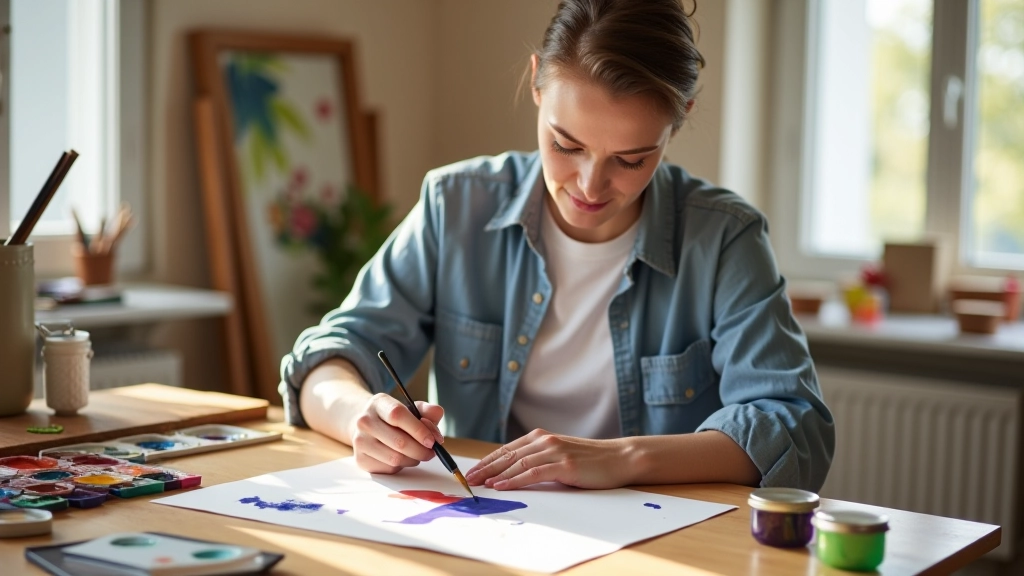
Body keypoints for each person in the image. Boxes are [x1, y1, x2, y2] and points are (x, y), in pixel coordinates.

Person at [281, 0, 834, 493]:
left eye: (632, 159)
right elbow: (328, 358)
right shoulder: (457, 206)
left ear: (679, 118)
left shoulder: (724, 237)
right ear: (537, 87)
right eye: (565, 145)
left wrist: (619, 459)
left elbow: (794, 426)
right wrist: (361, 414)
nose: (590, 186)